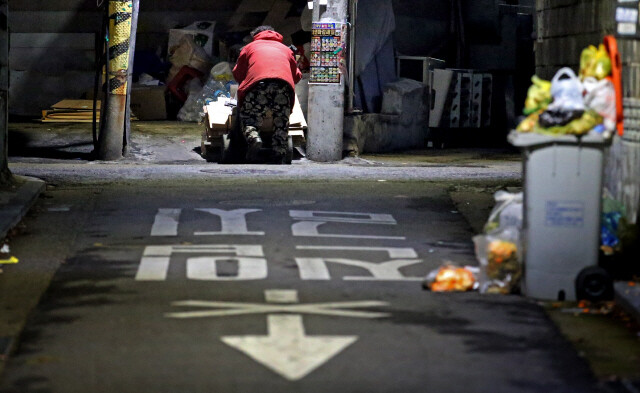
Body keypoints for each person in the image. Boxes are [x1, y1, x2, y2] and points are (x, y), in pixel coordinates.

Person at [232, 26, 303, 163]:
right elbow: (297, 76)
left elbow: (237, 74)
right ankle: (279, 153)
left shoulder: (249, 48)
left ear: (256, 35)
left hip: (257, 86)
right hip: (283, 87)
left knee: (250, 117)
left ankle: (254, 138)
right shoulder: (286, 50)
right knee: (281, 121)